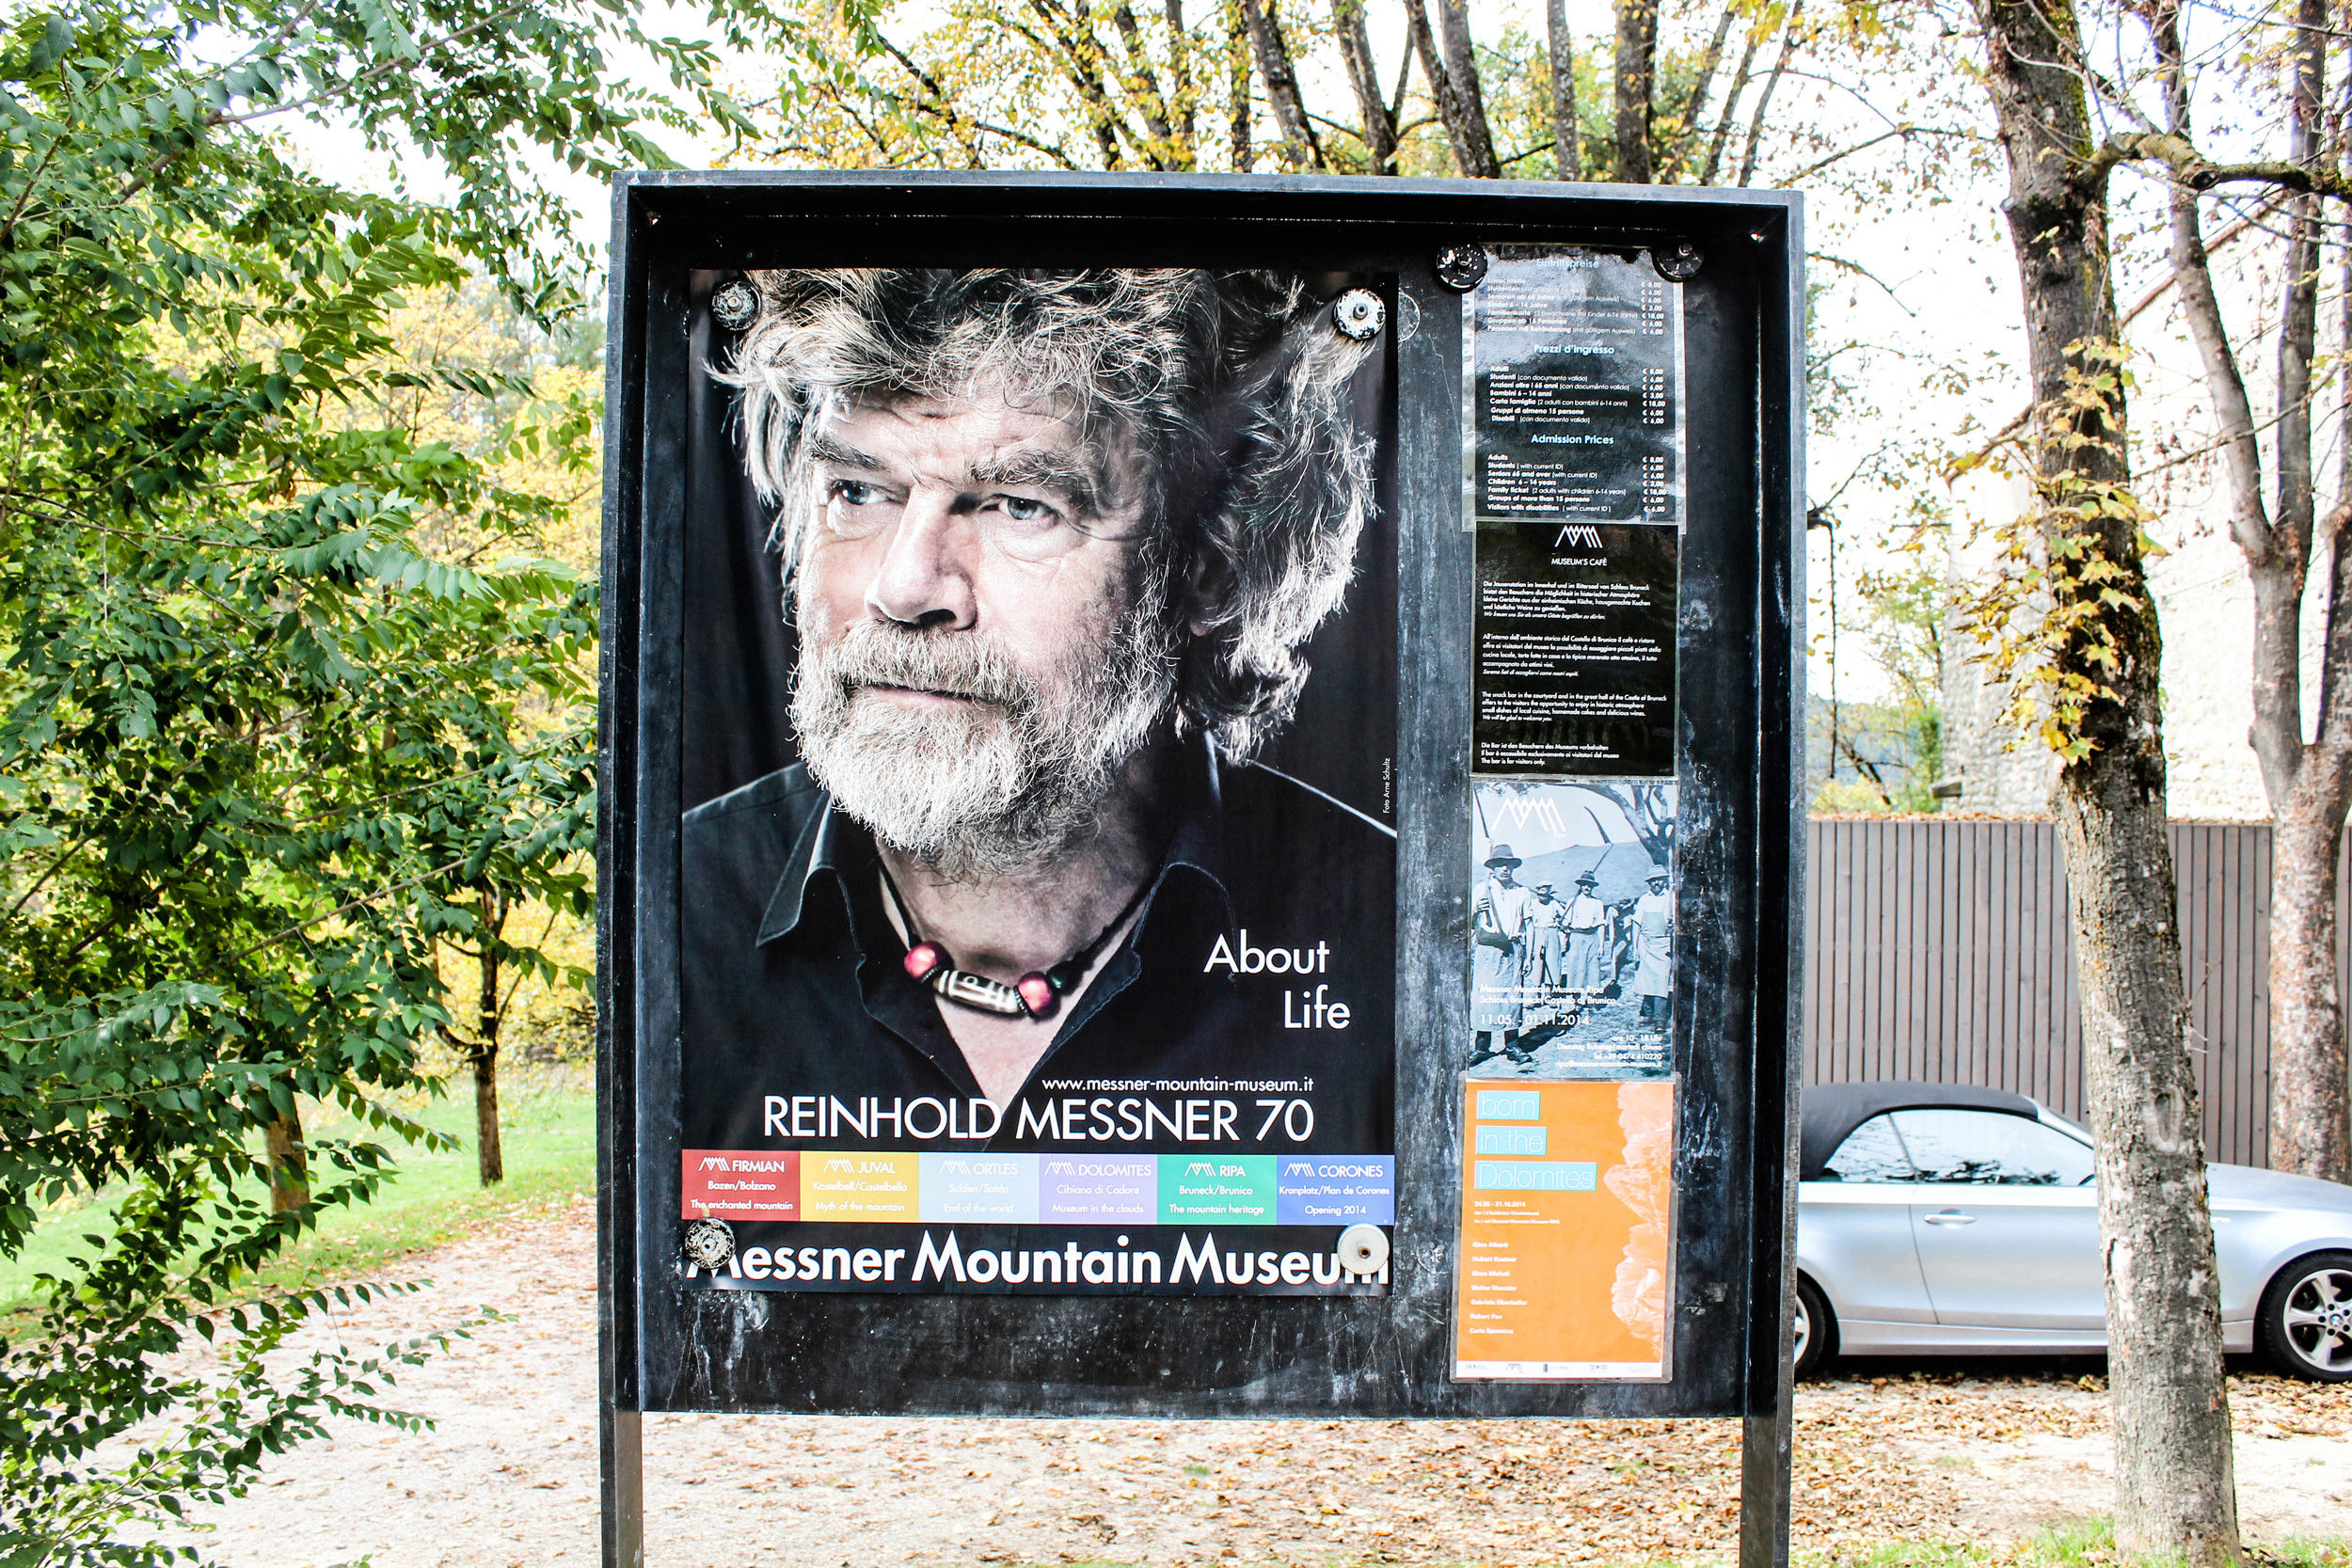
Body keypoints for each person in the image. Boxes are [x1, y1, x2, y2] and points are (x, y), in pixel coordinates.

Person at [678, 268, 1394, 1152]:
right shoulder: (680, 907)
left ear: (1209, 567)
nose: (905, 589)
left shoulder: (1387, 927)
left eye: (1023, 506)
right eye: (858, 491)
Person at [1470, 844, 1533, 1066]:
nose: (1504, 869)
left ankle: (1513, 1046)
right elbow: (1467, 921)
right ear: (1492, 868)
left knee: (1511, 999)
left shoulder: (1522, 892)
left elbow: (1529, 924)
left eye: (1508, 864)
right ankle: (1481, 1047)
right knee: (1485, 998)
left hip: (1514, 951)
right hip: (1488, 950)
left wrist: (1529, 954)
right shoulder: (1481, 889)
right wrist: (1476, 908)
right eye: (1499, 865)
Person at [1632, 866, 1674, 1028]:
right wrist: (1636, 947)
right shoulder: (1644, 899)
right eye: (1653, 880)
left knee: (1661, 982)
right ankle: (1647, 1014)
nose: (1657, 883)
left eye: (1660, 879)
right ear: (1649, 883)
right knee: (1646, 980)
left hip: (1663, 945)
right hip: (1645, 943)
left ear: (1665, 880)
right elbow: (1637, 923)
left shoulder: (1671, 898)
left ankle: (1659, 1019)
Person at [1563, 869, 1609, 992]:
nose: (1587, 887)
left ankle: (1587, 997)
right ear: (1580, 885)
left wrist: (1601, 946)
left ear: (1593, 887)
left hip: (1592, 937)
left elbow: (1601, 926)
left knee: (1592, 967)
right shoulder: (1572, 902)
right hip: (1576, 937)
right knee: (1575, 967)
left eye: (1590, 885)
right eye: (1584, 884)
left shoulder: (1597, 903)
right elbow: (1565, 923)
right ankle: (1573, 996)